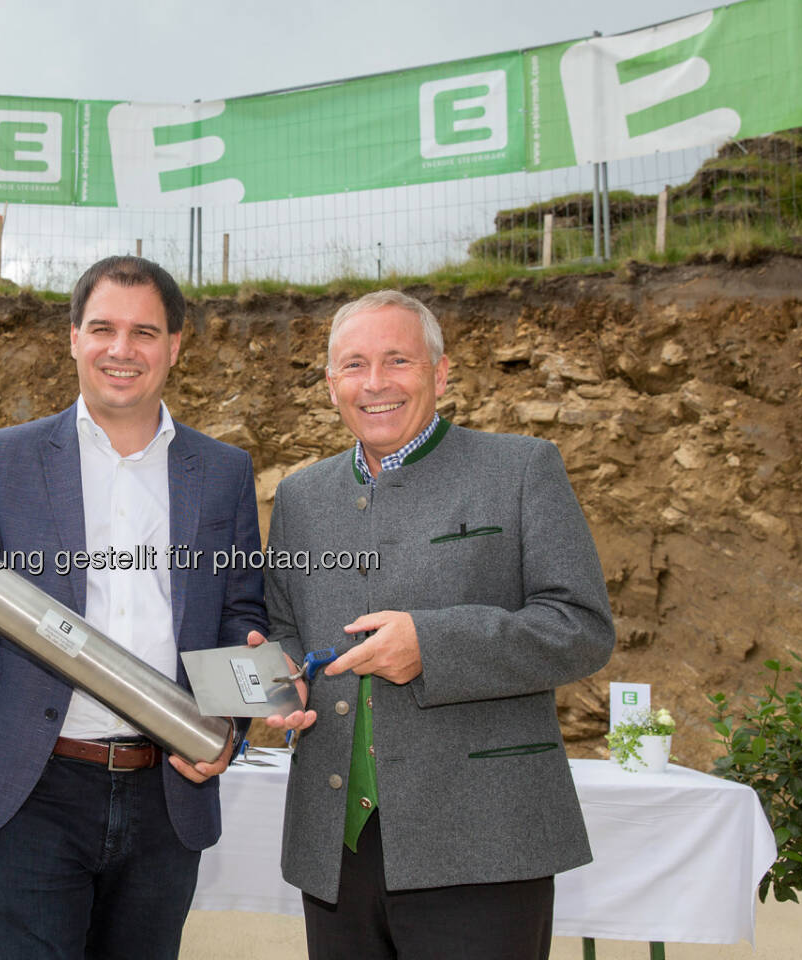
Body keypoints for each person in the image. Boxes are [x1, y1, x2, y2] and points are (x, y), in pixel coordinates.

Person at [0, 255, 267, 960]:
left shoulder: (222, 472)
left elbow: (241, 616)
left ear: (175, 345)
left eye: (144, 332)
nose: (122, 350)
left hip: (166, 792)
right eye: (103, 329)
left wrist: (235, 723)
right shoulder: (10, 456)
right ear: (73, 337)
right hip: (34, 788)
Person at [262, 290, 614, 959]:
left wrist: (434, 644)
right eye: (355, 365)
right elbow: (287, 628)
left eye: (398, 360)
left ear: (440, 372)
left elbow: (582, 626)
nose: (375, 383)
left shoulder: (521, 469)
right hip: (338, 849)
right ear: (331, 382)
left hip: (485, 841)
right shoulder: (301, 498)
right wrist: (283, 684)